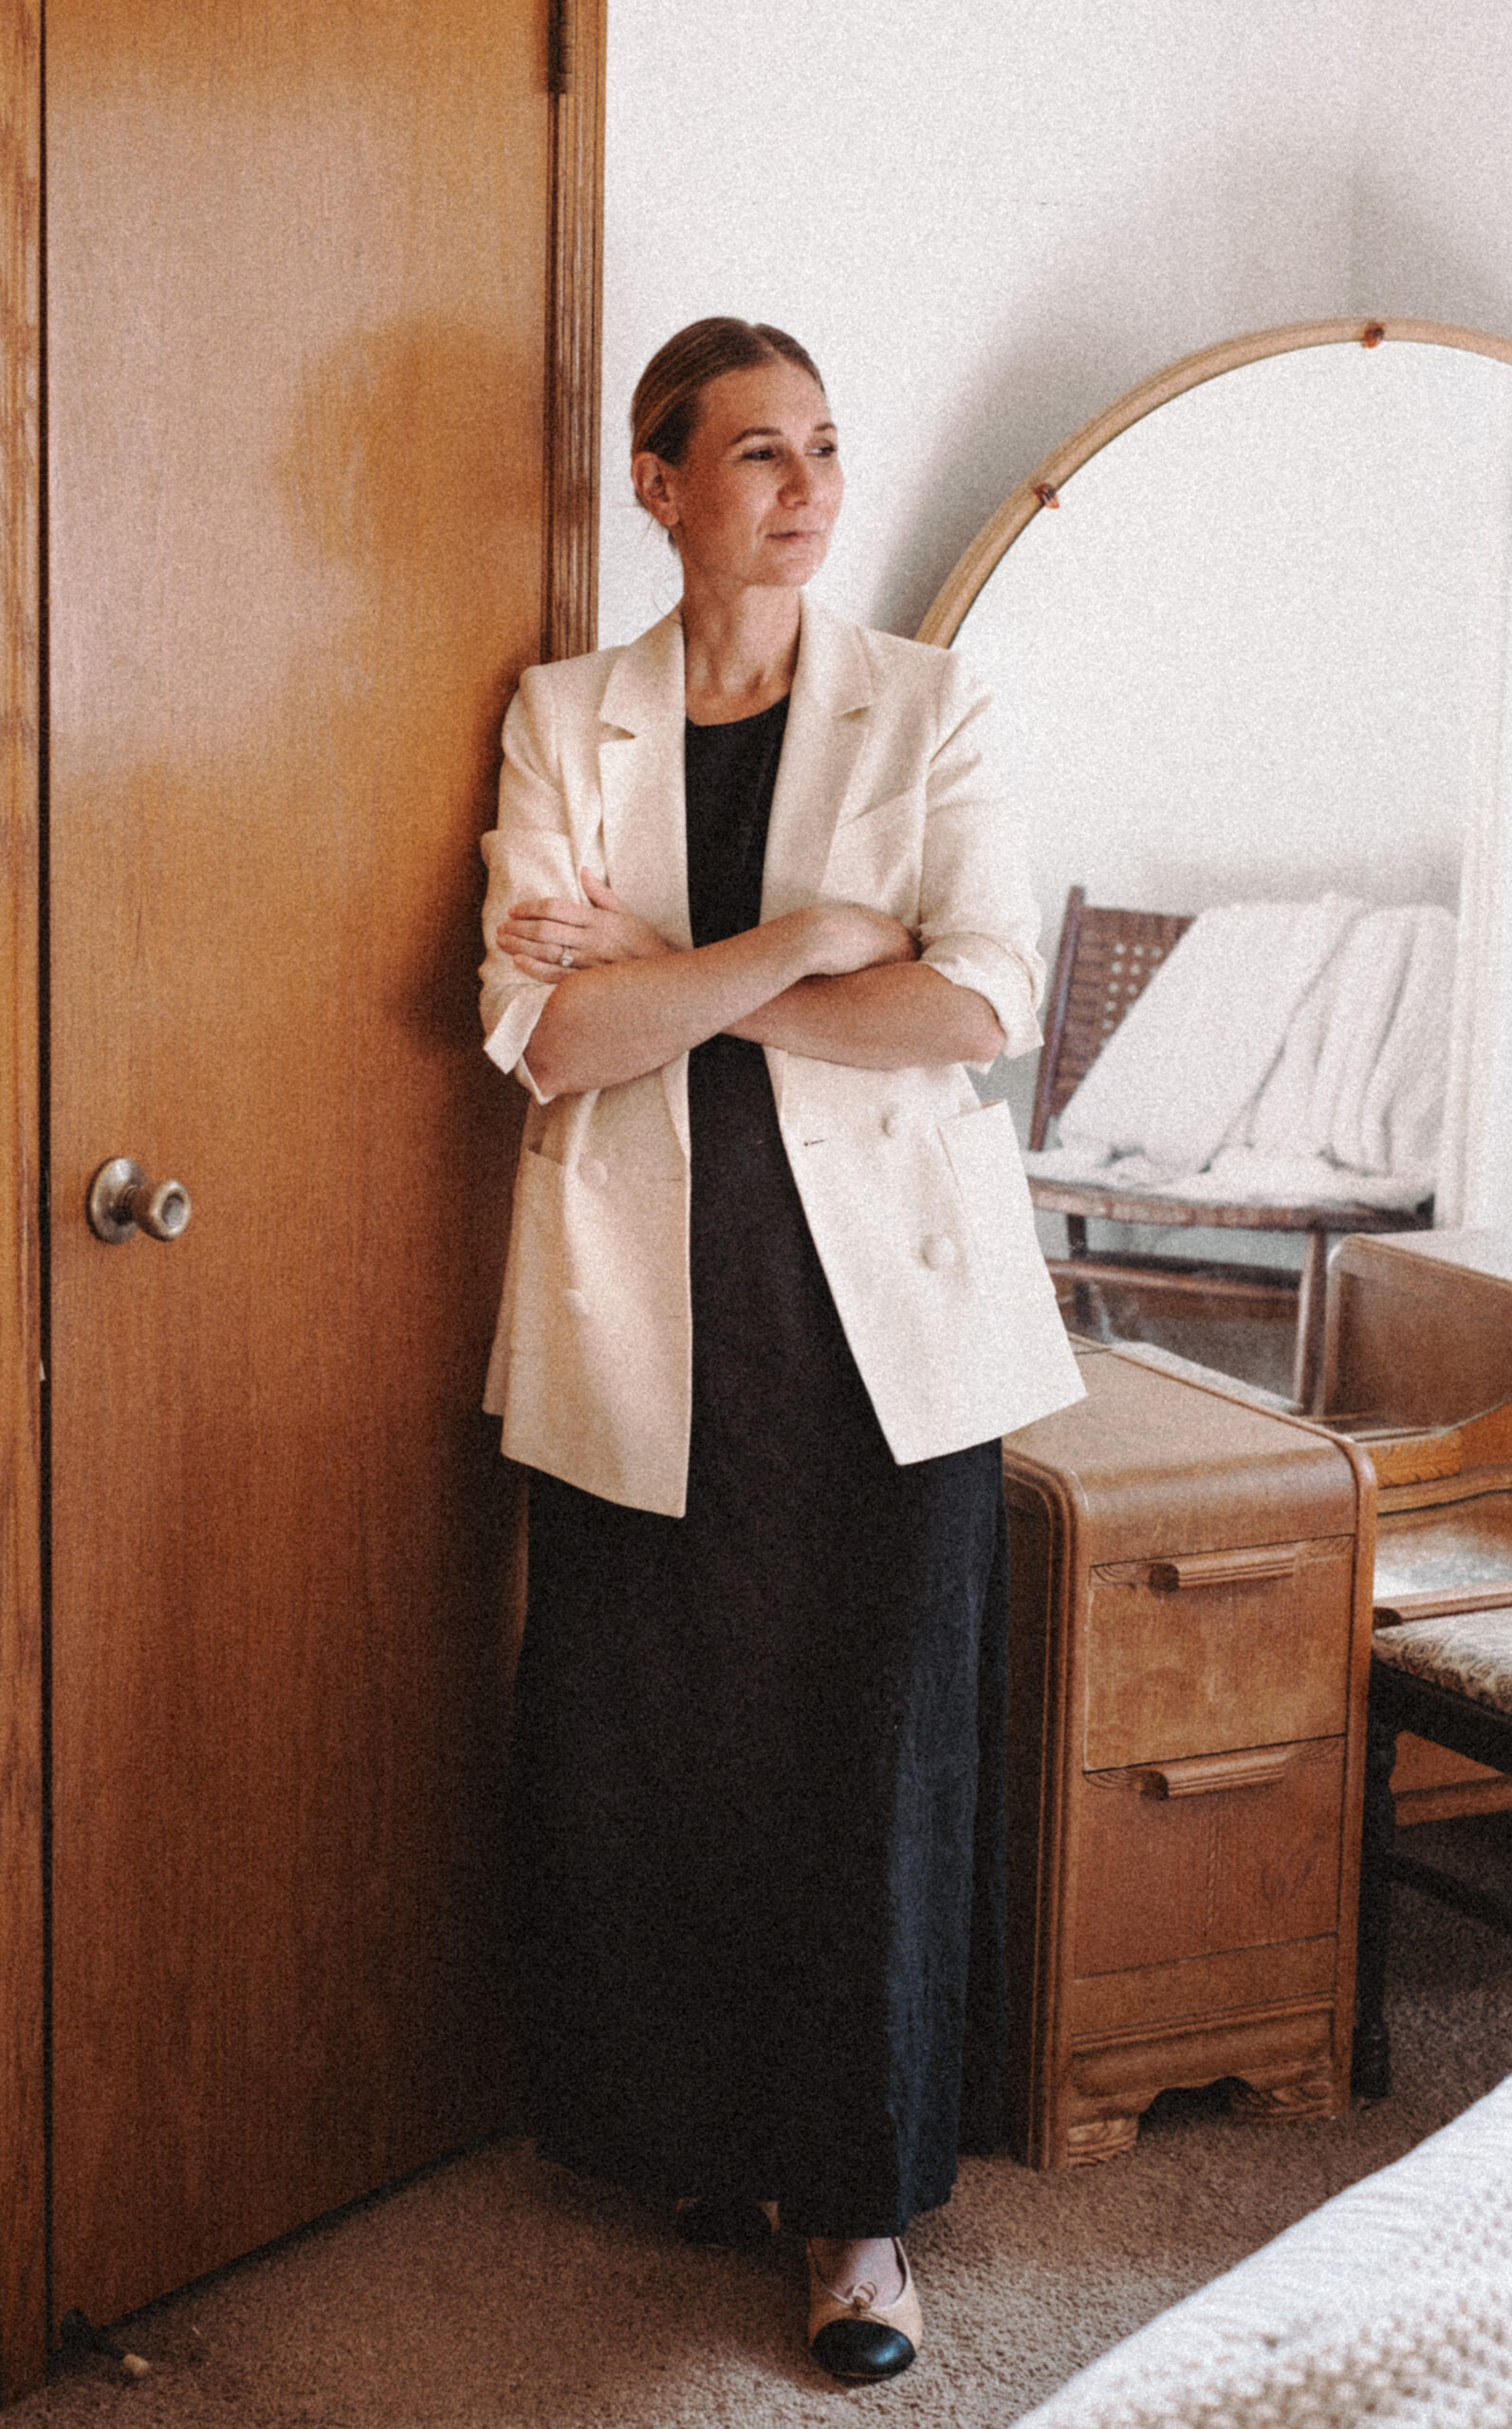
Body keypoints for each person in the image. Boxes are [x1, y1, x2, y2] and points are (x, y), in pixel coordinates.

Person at [478, 317, 1080, 2384]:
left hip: (885, 1331)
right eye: (753, 452)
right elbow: (545, 1034)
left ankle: (857, 2222)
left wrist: (671, 976)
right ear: (655, 482)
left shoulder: (926, 704)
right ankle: (700, 2136)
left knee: (867, 1764)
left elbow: (979, 1006)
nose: (806, 486)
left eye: (824, 443)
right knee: (665, 1750)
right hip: (648, 1320)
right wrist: (805, 945)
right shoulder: (567, 716)